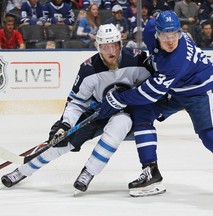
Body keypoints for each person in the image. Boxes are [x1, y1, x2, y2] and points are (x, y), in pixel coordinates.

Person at [95, 10, 213, 198]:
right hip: (176, 89)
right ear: (157, 33)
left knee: (211, 136)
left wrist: (118, 99)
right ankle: (151, 172)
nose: (171, 40)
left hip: (200, 91)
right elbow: (151, 22)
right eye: (166, 36)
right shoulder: (150, 30)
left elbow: (149, 93)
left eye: (175, 35)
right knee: (142, 111)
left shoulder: (176, 60)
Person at [1, 24, 151, 194]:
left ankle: (88, 172)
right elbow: (77, 102)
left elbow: (154, 84)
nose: (111, 51)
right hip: (97, 112)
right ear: (98, 47)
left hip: (126, 113)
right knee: (61, 142)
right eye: (105, 47)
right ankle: (20, 172)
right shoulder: (88, 69)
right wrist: (65, 125)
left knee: (120, 124)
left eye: (114, 45)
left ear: (120, 44)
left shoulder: (137, 60)